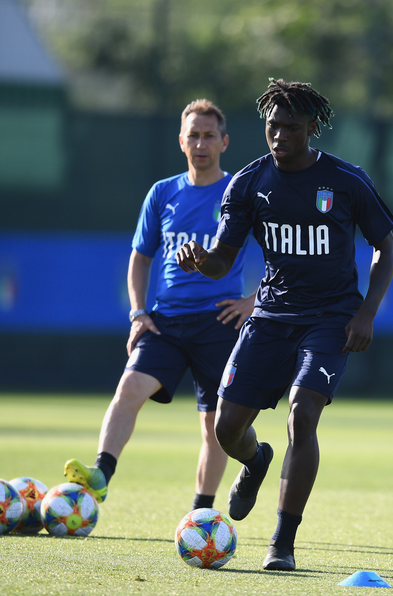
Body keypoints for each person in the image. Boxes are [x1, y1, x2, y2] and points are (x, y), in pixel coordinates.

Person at [175, 79, 393, 571]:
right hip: (270, 318)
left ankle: (282, 541)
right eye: (272, 126)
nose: (279, 136)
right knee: (226, 428)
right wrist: (200, 260)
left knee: (303, 414)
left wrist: (366, 313)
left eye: (290, 127)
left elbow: (385, 248)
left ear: (311, 128)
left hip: (330, 319)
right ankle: (256, 462)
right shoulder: (249, 183)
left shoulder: (346, 180)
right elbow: (221, 261)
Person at [65, 99, 256, 513]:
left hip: (218, 322)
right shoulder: (163, 193)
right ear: (181, 141)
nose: (200, 142)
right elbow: (140, 256)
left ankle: (201, 512)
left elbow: (280, 254)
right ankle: (100, 476)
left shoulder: (238, 191)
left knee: (215, 426)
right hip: (165, 321)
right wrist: (138, 312)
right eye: (193, 135)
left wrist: (252, 301)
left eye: (209, 135)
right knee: (129, 388)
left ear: (224, 142)